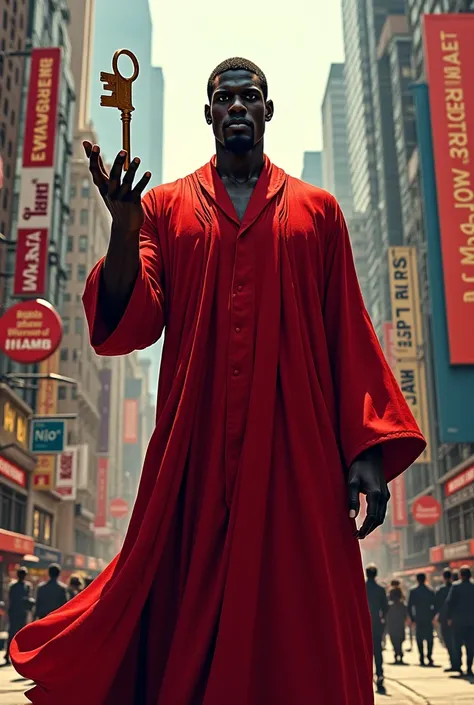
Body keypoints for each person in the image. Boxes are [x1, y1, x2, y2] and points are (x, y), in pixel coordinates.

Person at [11, 57, 426, 705]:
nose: (237, 106)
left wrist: (366, 453)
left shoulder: (317, 213)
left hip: (296, 449)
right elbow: (131, 322)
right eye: (224, 97)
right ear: (208, 113)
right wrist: (124, 229)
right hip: (194, 447)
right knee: (177, 598)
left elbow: (348, 329)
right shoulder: (166, 208)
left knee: (300, 603)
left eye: (249, 96)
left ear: (267, 109)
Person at [446, 565, 474, 677]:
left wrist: (449, 617)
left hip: (458, 621)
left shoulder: (455, 586)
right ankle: (469, 667)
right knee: (470, 645)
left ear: (461, 575)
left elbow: (449, 602)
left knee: (457, 644)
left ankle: (458, 666)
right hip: (472, 621)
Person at [365, 565, 389, 693]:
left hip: (364, 624)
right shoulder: (380, 589)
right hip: (376, 623)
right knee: (377, 650)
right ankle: (379, 673)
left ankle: (366, 674)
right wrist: (382, 618)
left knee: (364, 650)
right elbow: (385, 607)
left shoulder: (362, 587)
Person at [4, 568, 33, 665]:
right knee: (12, 634)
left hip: (21, 613)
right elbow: (11, 600)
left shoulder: (27, 586)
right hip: (16, 613)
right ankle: (8, 653)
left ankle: (19, 655)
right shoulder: (14, 586)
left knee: (20, 635)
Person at [408, 573, 436, 666]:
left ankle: (421, 656)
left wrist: (412, 618)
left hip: (418, 618)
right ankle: (429, 655)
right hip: (428, 617)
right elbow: (434, 605)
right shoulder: (430, 591)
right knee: (429, 638)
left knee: (419, 638)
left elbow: (409, 606)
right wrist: (433, 616)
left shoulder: (413, 591)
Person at [434, 568, 455, 671]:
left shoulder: (440, 590)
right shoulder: (455, 587)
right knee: (456, 641)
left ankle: (453, 662)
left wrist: (436, 616)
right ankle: (458, 663)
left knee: (448, 641)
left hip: (444, 618)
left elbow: (436, 605)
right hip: (455, 619)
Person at [386, 586, 408, 665]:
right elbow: (405, 615)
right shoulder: (402, 605)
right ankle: (400, 654)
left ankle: (397, 654)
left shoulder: (389, 606)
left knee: (394, 641)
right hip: (400, 625)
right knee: (400, 640)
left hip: (392, 625)